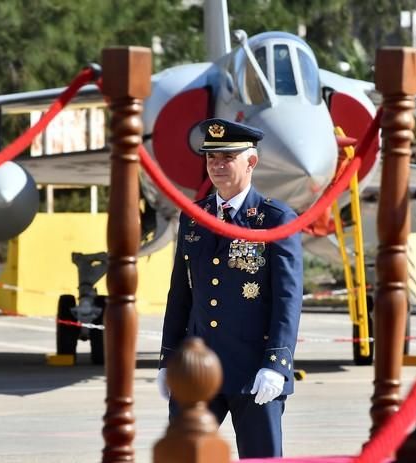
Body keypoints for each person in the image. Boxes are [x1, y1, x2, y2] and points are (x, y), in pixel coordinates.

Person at [157, 117, 303, 458]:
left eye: (227, 157)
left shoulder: (273, 218)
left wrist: (277, 363)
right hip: (198, 368)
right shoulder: (195, 216)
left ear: (251, 161)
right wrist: (168, 359)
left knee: (259, 457)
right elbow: (181, 293)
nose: (217, 165)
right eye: (211, 158)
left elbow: (287, 298)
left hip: (254, 369)